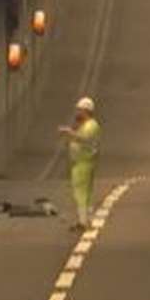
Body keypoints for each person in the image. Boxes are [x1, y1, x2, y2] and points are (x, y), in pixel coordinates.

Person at [59, 97, 101, 233]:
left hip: (83, 163)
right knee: (85, 194)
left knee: (81, 194)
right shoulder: (86, 125)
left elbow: (84, 138)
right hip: (82, 162)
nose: (77, 112)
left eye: (79, 110)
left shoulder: (91, 125)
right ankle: (87, 220)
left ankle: (83, 222)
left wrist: (68, 132)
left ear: (86, 111)